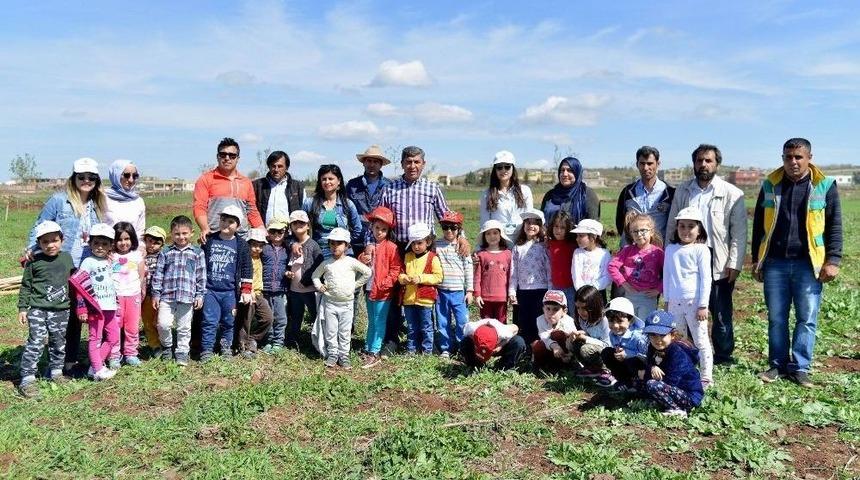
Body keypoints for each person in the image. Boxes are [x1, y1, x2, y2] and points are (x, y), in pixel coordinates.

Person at [752, 138, 842, 388]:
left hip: (808, 264)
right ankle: (777, 365)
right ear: (782, 158)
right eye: (788, 157)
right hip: (775, 263)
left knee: (807, 317)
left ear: (809, 158)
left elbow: (835, 225)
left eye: (798, 157)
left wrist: (833, 260)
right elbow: (759, 225)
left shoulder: (824, 185)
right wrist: (757, 261)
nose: (793, 162)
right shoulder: (771, 184)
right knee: (777, 317)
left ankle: (801, 367)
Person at [666, 144, 746, 366]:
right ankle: (691, 351)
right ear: (694, 163)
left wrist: (735, 263)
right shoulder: (683, 191)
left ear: (716, 164)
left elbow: (738, 233)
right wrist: (669, 257)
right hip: (687, 257)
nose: (703, 165)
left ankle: (722, 355)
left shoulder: (732, 193)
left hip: (718, 258)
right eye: (699, 160)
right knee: (690, 307)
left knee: (720, 312)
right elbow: (672, 226)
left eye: (708, 161)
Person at [17, 221, 75, 398]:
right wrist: (22, 308)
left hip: (61, 310)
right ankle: (27, 377)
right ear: (38, 243)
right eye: (45, 242)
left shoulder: (67, 258)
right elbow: (26, 286)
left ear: (62, 240)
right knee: (36, 341)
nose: (51, 245)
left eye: (54, 240)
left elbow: (75, 282)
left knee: (58, 341)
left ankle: (56, 371)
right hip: (38, 309)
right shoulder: (34, 262)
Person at [663, 207, 713, 388]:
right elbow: (667, 276)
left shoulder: (701, 250)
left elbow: (706, 279)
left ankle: (706, 376)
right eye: (682, 226)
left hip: (694, 302)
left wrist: (703, 305)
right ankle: (684, 371)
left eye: (691, 227)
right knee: (679, 338)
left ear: (699, 229)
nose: (685, 231)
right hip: (674, 303)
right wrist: (667, 301)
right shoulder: (670, 249)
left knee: (701, 339)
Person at [27, 157, 105, 270]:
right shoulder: (59, 200)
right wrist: (31, 248)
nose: (86, 180)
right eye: (81, 177)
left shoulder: (97, 203)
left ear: (96, 180)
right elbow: (40, 225)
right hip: (64, 261)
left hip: (89, 263)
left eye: (91, 177)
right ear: (74, 178)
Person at [311, 227, 371, 369]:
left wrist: (355, 285)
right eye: (332, 243)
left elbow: (367, 272)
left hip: (347, 304)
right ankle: (332, 354)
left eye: (339, 243)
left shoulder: (351, 262)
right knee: (331, 331)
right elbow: (315, 275)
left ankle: (344, 355)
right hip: (330, 304)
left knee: (344, 331)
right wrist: (319, 286)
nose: (335, 246)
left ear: (347, 246)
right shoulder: (327, 263)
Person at [151, 215, 207, 366]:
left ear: (191, 233)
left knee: (184, 327)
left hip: (187, 297)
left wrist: (200, 295)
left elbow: (201, 276)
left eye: (184, 233)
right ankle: (167, 346)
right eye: (177, 234)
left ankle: (182, 351)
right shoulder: (166, 252)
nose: (181, 237)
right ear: (171, 234)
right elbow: (159, 274)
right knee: (163, 324)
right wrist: (156, 294)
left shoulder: (197, 253)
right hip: (167, 296)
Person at [200, 205, 253, 361]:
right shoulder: (210, 240)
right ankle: (207, 350)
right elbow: (200, 262)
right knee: (209, 321)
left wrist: (246, 290)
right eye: (223, 220)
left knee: (229, 321)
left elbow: (246, 268)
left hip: (230, 292)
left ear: (238, 225)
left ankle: (226, 348)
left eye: (230, 221)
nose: (225, 224)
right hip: (210, 290)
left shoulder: (241, 244)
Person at [193, 137, 263, 242]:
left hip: (241, 239)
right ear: (217, 157)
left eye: (232, 155)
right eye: (223, 154)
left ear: (237, 158)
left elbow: (252, 210)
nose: (227, 158)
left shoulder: (246, 182)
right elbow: (199, 207)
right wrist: (205, 228)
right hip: (214, 236)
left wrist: (261, 229)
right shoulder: (205, 179)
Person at [76, 223, 120, 381]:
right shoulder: (88, 262)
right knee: (95, 338)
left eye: (104, 244)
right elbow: (79, 286)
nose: (100, 247)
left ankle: (94, 366)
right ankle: (98, 369)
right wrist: (81, 309)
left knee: (114, 337)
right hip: (96, 308)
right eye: (96, 243)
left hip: (110, 306)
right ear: (90, 244)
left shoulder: (109, 261)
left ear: (110, 246)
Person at [641, 310, 705, 418]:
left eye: (662, 335)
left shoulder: (678, 353)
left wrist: (651, 378)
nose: (658, 340)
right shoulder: (652, 347)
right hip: (670, 388)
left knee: (651, 384)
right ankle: (658, 401)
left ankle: (678, 410)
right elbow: (649, 363)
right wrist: (652, 367)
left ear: (673, 335)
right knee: (641, 382)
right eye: (653, 335)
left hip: (688, 394)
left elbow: (672, 381)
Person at [361, 206, 402, 366]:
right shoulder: (369, 246)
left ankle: (375, 350)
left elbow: (396, 269)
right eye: (377, 228)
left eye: (383, 230)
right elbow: (362, 264)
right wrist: (362, 258)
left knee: (379, 320)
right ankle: (367, 346)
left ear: (388, 231)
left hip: (383, 291)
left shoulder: (392, 248)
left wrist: (387, 283)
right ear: (371, 227)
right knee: (371, 320)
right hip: (370, 289)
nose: (379, 232)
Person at [608, 213, 664, 319]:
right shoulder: (627, 250)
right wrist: (624, 284)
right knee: (630, 324)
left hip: (648, 297)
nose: (639, 234)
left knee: (644, 325)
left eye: (643, 230)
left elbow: (668, 272)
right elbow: (612, 266)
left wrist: (659, 289)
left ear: (651, 232)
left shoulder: (658, 253)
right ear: (631, 234)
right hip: (630, 295)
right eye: (635, 231)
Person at [615, 146, 675, 245]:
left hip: (658, 251)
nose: (646, 168)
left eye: (650, 163)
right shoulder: (627, 192)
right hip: (631, 249)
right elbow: (620, 222)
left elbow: (672, 224)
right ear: (637, 164)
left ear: (658, 164)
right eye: (642, 163)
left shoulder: (669, 192)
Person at [399, 223, 443, 355]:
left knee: (426, 326)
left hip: (425, 300)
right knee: (412, 327)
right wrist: (403, 279)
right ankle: (411, 349)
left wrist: (421, 278)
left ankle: (427, 350)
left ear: (428, 242)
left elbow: (438, 277)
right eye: (413, 244)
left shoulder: (432, 258)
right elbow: (400, 274)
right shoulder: (408, 257)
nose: (416, 246)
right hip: (409, 299)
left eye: (419, 243)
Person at [302, 164, 363, 260]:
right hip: (319, 251)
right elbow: (300, 226)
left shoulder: (347, 204)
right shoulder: (310, 203)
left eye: (331, 179)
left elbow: (358, 229)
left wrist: (346, 243)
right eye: (324, 179)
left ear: (339, 181)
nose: (327, 182)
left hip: (343, 253)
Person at [434, 211, 473, 358]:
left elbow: (468, 268)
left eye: (453, 227)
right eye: (445, 227)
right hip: (441, 291)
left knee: (462, 321)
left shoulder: (463, 246)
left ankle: (462, 346)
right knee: (442, 321)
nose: (449, 231)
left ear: (459, 228)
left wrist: (469, 290)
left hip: (459, 291)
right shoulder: (436, 245)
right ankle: (446, 347)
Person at [509, 209, 551, 345]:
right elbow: (513, 272)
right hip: (523, 291)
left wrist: (550, 289)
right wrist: (512, 291)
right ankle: (524, 347)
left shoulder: (543, 246)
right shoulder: (517, 248)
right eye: (528, 222)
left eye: (535, 223)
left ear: (540, 227)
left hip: (541, 289)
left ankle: (539, 347)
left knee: (538, 319)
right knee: (523, 320)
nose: (531, 226)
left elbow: (548, 268)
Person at [283, 210, 323, 351]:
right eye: (294, 223)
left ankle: (316, 341)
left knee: (314, 315)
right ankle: (294, 340)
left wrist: (307, 279)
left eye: (301, 222)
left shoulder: (313, 245)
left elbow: (319, 264)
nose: (298, 225)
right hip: (294, 290)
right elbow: (288, 263)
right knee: (295, 316)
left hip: (309, 289)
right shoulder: (290, 244)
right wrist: (288, 273)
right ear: (290, 226)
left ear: (308, 226)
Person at [108, 222, 146, 368]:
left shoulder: (137, 256)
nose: (123, 243)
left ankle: (131, 353)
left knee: (132, 326)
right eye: (119, 239)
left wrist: (139, 291)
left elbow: (141, 276)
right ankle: (114, 355)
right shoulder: (111, 257)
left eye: (127, 239)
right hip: (116, 297)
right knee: (115, 327)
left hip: (133, 296)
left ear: (132, 239)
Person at [346, 145, 393, 257]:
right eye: (369, 161)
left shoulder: (389, 186)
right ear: (363, 162)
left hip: (380, 238)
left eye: (376, 162)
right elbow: (345, 211)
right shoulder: (352, 185)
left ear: (381, 164)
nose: (372, 164)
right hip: (356, 238)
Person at [236, 228, 274, 359]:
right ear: (248, 244)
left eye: (260, 246)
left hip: (259, 293)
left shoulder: (260, 258)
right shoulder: (244, 258)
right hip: (247, 293)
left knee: (268, 318)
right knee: (246, 319)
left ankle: (252, 338)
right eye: (254, 245)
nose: (257, 248)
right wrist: (247, 290)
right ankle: (244, 345)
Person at [479, 150, 534, 238]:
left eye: (507, 167)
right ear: (495, 170)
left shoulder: (525, 191)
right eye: (499, 167)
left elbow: (530, 218)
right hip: (498, 242)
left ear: (513, 168)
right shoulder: (486, 194)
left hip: (520, 241)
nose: (503, 170)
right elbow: (484, 223)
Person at [569, 285, 614, 387]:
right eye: (578, 307)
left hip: (609, 354)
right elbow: (590, 334)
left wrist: (586, 338)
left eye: (585, 308)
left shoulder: (605, 320)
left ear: (594, 306)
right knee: (571, 343)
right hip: (596, 348)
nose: (580, 311)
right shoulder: (582, 319)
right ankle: (591, 368)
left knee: (586, 349)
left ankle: (606, 370)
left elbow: (608, 345)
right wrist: (581, 334)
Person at [600, 297, 647, 392]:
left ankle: (639, 383)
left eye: (620, 321)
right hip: (625, 364)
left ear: (631, 321)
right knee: (607, 352)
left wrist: (627, 355)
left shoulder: (638, 337)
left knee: (633, 361)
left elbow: (647, 358)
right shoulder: (612, 334)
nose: (615, 325)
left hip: (639, 367)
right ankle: (624, 380)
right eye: (611, 321)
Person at [540, 156, 600, 226]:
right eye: (562, 170)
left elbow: (593, 226)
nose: (565, 174)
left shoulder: (587, 194)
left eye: (570, 170)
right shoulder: (550, 195)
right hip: (550, 236)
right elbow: (541, 221)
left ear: (577, 173)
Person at [473, 220, 512, 324]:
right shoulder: (481, 254)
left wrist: (511, 293)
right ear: (484, 236)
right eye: (488, 233)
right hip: (485, 298)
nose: (492, 236)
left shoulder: (508, 254)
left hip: (502, 298)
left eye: (495, 233)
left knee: (501, 325)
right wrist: (477, 295)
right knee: (486, 325)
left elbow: (510, 276)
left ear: (501, 234)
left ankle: (501, 341)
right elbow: (477, 276)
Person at [260, 217, 290, 352]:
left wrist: (289, 273)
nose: (277, 235)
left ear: (285, 232)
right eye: (273, 231)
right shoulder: (264, 248)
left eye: (280, 231)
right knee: (268, 317)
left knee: (280, 317)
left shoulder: (288, 249)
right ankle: (269, 339)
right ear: (268, 233)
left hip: (280, 288)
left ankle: (279, 341)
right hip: (265, 288)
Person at [252, 150, 305, 226]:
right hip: (264, 234)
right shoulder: (257, 185)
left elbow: (304, 212)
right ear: (269, 167)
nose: (276, 170)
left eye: (280, 166)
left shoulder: (298, 187)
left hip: (289, 234)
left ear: (287, 167)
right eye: (273, 166)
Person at [530, 290, 578, 372]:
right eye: (548, 309)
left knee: (557, 334)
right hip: (551, 350)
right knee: (536, 344)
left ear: (564, 311)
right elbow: (544, 337)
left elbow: (574, 340)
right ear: (543, 309)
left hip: (565, 353)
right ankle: (543, 366)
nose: (550, 313)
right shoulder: (540, 320)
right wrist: (554, 346)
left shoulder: (568, 321)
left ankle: (567, 364)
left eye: (555, 309)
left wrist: (570, 354)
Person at [103, 159, 146, 248]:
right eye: (126, 175)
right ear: (116, 175)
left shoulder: (138, 201)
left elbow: (140, 231)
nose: (131, 180)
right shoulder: (103, 198)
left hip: (132, 252)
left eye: (135, 176)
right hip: (108, 252)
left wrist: (141, 249)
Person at [460, 318, 527, 372]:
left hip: (499, 345)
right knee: (465, 342)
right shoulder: (471, 329)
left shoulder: (503, 332)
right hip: (477, 343)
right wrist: (474, 343)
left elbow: (516, 328)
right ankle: (474, 365)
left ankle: (505, 366)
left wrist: (501, 345)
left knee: (518, 342)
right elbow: (464, 330)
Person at [571, 219, 611, 302]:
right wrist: (582, 291)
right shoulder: (577, 253)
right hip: (581, 294)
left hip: (598, 294)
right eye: (577, 235)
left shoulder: (604, 254)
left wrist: (592, 289)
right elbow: (576, 274)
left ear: (593, 237)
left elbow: (607, 276)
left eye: (581, 236)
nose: (577, 239)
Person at [141, 226, 167, 355]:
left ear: (162, 244)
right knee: (147, 320)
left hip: (160, 294)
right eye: (149, 241)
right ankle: (154, 344)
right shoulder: (140, 255)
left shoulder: (164, 256)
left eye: (156, 242)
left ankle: (164, 342)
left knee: (159, 320)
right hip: (144, 294)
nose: (152, 245)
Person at [546, 211, 576, 308]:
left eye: (562, 228)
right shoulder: (549, 244)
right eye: (556, 226)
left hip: (571, 287)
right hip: (555, 287)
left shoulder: (573, 245)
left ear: (568, 229)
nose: (558, 230)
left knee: (572, 315)